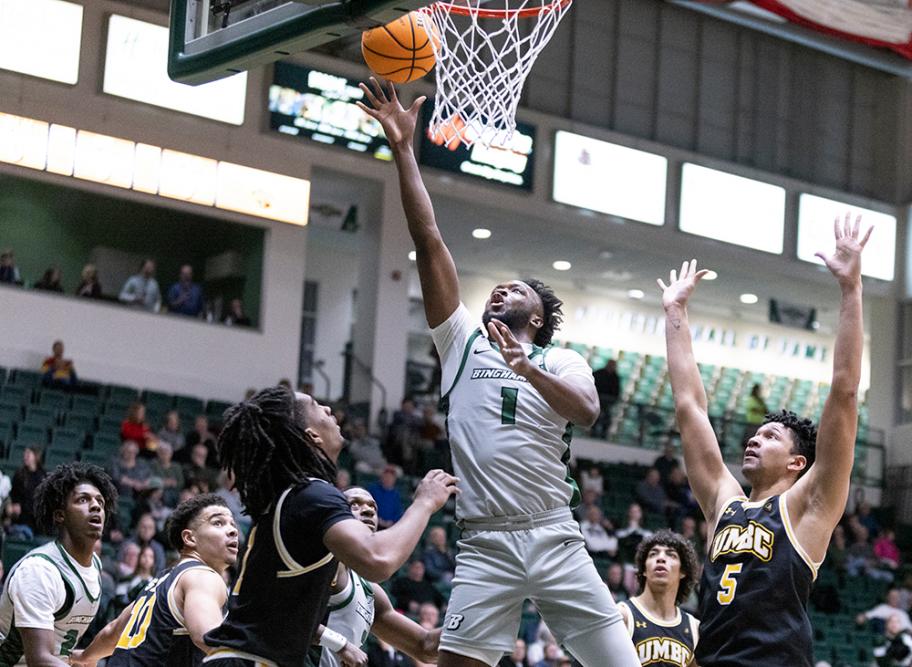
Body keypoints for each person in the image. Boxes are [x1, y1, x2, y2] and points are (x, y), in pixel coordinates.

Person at [358, 77, 639, 667]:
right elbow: (428, 239)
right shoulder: (461, 344)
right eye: (495, 288)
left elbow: (586, 411)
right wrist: (405, 149)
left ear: (536, 316)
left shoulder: (558, 360)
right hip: (484, 539)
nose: (498, 291)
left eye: (513, 290)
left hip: (553, 533)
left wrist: (525, 369)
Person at [658, 215, 872, 667]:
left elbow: (845, 391)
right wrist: (675, 314)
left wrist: (851, 290)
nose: (753, 441)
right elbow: (689, 408)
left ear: (798, 463)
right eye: (754, 435)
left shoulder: (809, 504)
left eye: (770, 436)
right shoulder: (724, 503)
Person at [202, 385, 457, 666]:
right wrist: (424, 502)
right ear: (311, 436)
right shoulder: (312, 495)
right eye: (315, 406)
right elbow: (379, 558)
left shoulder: (292, 498)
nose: (327, 408)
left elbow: (424, 647)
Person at [69, 494, 240, 667]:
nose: (233, 530)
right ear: (189, 538)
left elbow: (112, 631)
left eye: (232, 524)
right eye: (218, 523)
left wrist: (85, 656)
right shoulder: (202, 577)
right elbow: (210, 641)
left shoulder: (157, 584)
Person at [0, 463, 117, 664]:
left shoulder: (94, 565)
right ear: (60, 515)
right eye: (83, 499)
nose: (96, 506)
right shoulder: (40, 571)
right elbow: (40, 660)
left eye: (100, 501)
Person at [314, 487, 442, 667]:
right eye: (355, 504)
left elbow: (424, 646)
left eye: (373, 507)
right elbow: (280, 614)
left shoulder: (370, 591)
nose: (368, 510)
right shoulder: (321, 563)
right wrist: (341, 645)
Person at [617, 530, 700, 667]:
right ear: (643, 569)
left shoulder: (694, 628)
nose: (661, 558)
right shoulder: (623, 615)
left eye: (671, 555)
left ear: (683, 571)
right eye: (653, 554)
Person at [9, 445, 46, 533]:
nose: (25, 457)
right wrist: (15, 504)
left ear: (35, 457)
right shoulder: (19, 474)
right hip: (22, 516)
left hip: (36, 516)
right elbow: (14, 494)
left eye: (28, 454)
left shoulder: (43, 476)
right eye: (25, 454)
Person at [591, 359, 621, 439]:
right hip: (597, 400)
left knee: (607, 420)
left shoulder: (615, 377)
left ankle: (603, 435)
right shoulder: (598, 373)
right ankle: (592, 434)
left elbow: (616, 391)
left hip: (607, 403)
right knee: (595, 418)